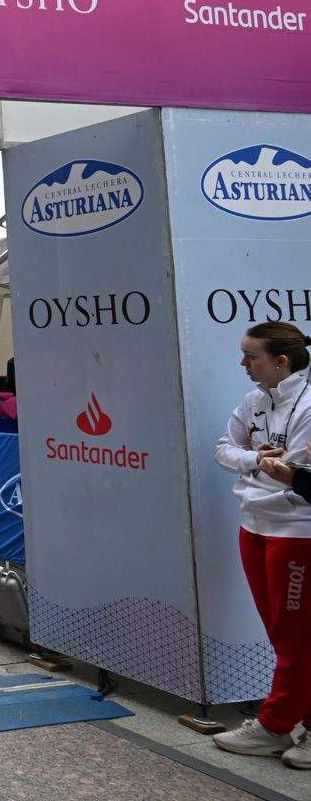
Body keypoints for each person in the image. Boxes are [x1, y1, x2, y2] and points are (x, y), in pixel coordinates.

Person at [212, 321, 311, 767]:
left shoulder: (308, 404)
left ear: (281, 361)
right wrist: (254, 458)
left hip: (296, 529)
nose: (243, 363)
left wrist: (264, 464)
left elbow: (295, 469)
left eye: (251, 356)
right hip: (254, 524)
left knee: (295, 637)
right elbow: (223, 450)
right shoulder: (254, 401)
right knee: (280, 632)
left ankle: (275, 725)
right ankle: (301, 719)